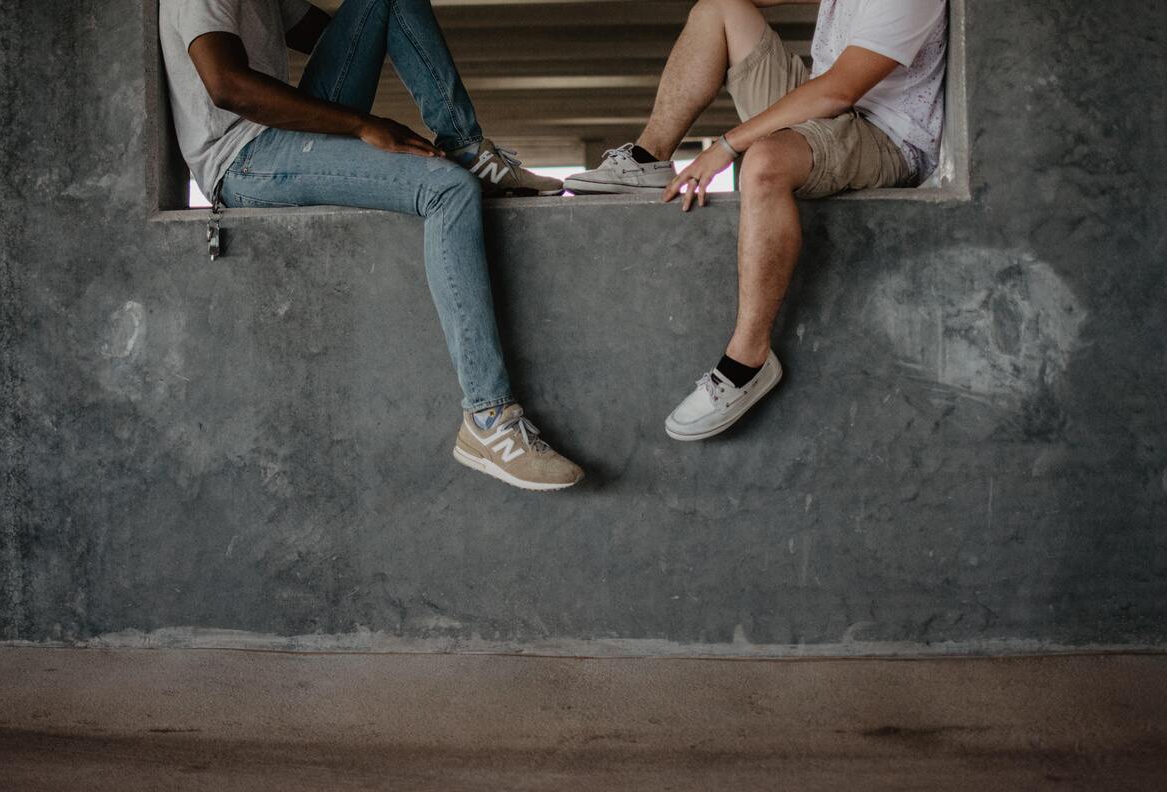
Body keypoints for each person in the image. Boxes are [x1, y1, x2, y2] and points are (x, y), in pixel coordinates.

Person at [159, 0, 583, 490]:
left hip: (276, 134)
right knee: (446, 189)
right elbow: (226, 86)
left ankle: (467, 144)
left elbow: (339, 32)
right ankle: (488, 420)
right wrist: (363, 126)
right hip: (243, 160)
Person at [565, 0, 947, 441]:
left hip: (887, 136)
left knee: (763, 163)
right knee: (719, 8)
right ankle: (647, 159)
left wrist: (725, 146)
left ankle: (747, 360)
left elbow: (839, 90)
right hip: (832, 109)